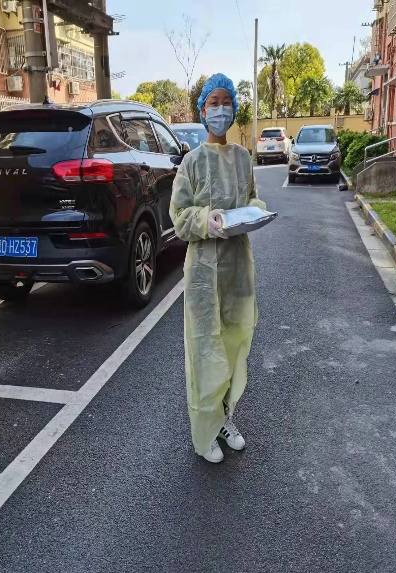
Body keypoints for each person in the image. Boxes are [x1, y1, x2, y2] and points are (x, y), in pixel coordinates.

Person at [169, 73, 266, 463]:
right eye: (214, 102)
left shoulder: (243, 158)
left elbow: (252, 198)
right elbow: (179, 216)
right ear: (203, 109)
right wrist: (205, 220)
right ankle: (204, 432)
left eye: (227, 102)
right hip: (204, 275)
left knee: (232, 345)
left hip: (238, 267)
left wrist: (256, 212)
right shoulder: (192, 162)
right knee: (205, 351)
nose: (221, 109)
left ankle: (224, 419)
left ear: (234, 108)